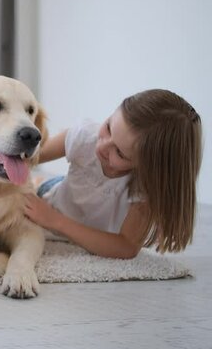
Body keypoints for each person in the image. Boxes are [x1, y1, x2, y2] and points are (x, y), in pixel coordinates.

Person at [24, 89, 202, 259]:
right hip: (54, 194)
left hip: (56, 215)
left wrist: (55, 221)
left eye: (120, 153)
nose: (102, 146)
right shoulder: (86, 135)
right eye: (109, 127)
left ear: (145, 167)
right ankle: (39, 183)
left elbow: (126, 247)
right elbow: (28, 158)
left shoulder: (144, 186)